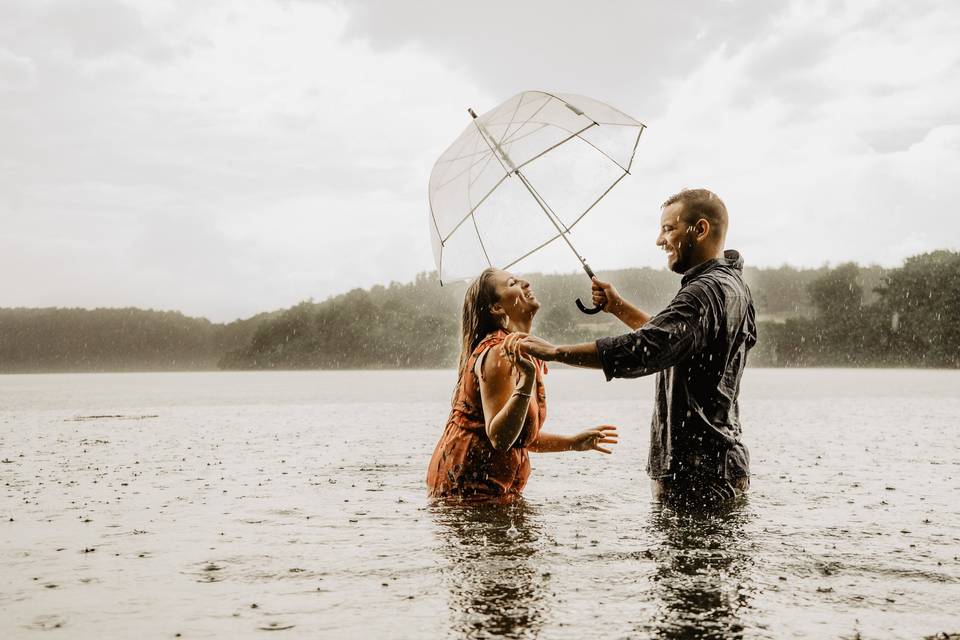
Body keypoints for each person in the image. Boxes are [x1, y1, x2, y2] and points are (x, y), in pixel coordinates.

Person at [511, 189, 757, 507]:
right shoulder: (735, 286)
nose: (659, 240)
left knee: (685, 557)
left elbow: (645, 350)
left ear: (700, 229)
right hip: (725, 464)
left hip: (695, 474)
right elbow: (674, 341)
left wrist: (556, 353)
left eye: (669, 229)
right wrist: (618, 307)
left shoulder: (702, 292)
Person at [426, 268, 618, 502]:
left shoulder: (518, 350)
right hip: (468, 494)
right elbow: (500, 437)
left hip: (492, 492)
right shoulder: (499, 352)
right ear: (497, 308)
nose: (526, 283)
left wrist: (574, 443)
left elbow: (518, 434)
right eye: (513, 283)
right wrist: (526, 383)